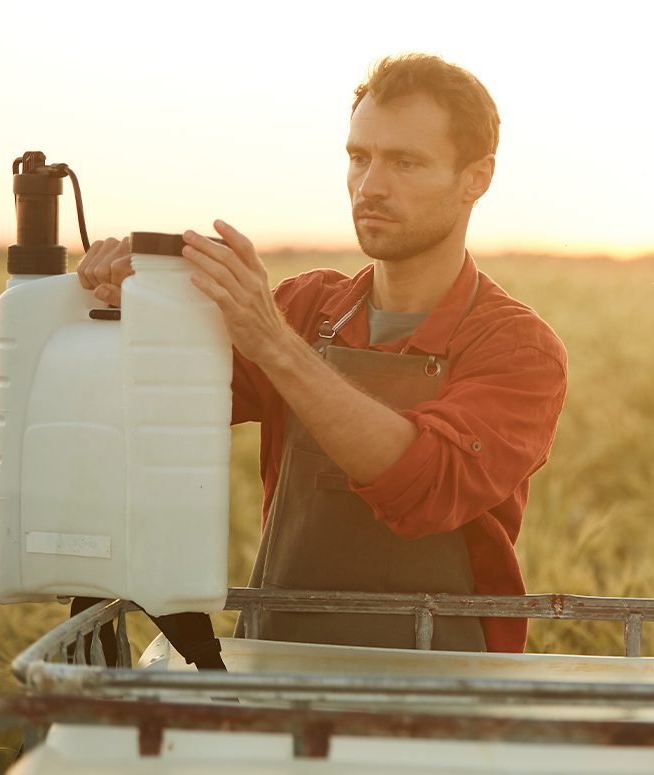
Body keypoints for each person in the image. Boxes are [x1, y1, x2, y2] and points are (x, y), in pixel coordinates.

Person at [75, 53, 567, 654]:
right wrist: (136, 303)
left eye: (406, 162)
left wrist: (275, 343)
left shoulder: (518, 349)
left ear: (477, 178)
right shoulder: (306, 307)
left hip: (445, 692)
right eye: (359, 157)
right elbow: (154, 399)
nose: (372, 186)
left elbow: (425, 482)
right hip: (281, 659)